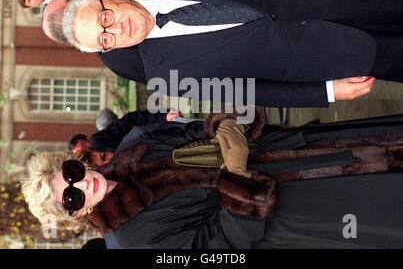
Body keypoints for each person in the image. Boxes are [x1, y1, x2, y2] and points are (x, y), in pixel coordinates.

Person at [63, 0, 403, 108]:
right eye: (107, 39)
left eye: (105, 18)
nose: (119, 29)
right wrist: (325, 93)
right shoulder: (164, 76)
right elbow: (251, 92)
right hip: (334, 56)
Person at [22, 109, 403, 248]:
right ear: (76, 215)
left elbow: (196, 134)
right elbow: (222, 246)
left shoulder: (133, 148)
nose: (80, 185)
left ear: (77, 163)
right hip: (304, 213)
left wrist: (225, 124)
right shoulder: (134, 239)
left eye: (70, 174)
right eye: (70, 198)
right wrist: (237, 178)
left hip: (300, 150)